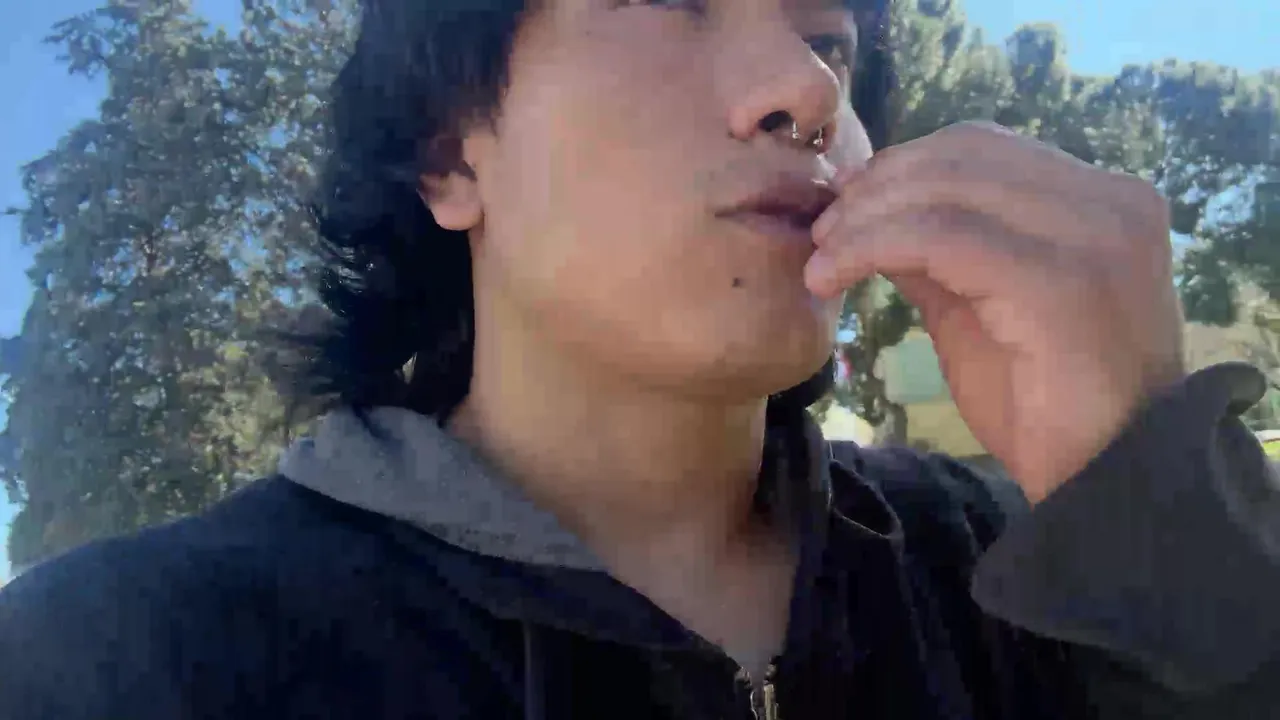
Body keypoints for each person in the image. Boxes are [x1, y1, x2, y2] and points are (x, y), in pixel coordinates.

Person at [2, 0, 1279, 717]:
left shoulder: (1024, 566)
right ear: (447, 156)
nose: (806, 89)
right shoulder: (116, 662)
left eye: (828, 40)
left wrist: (1152, 502)